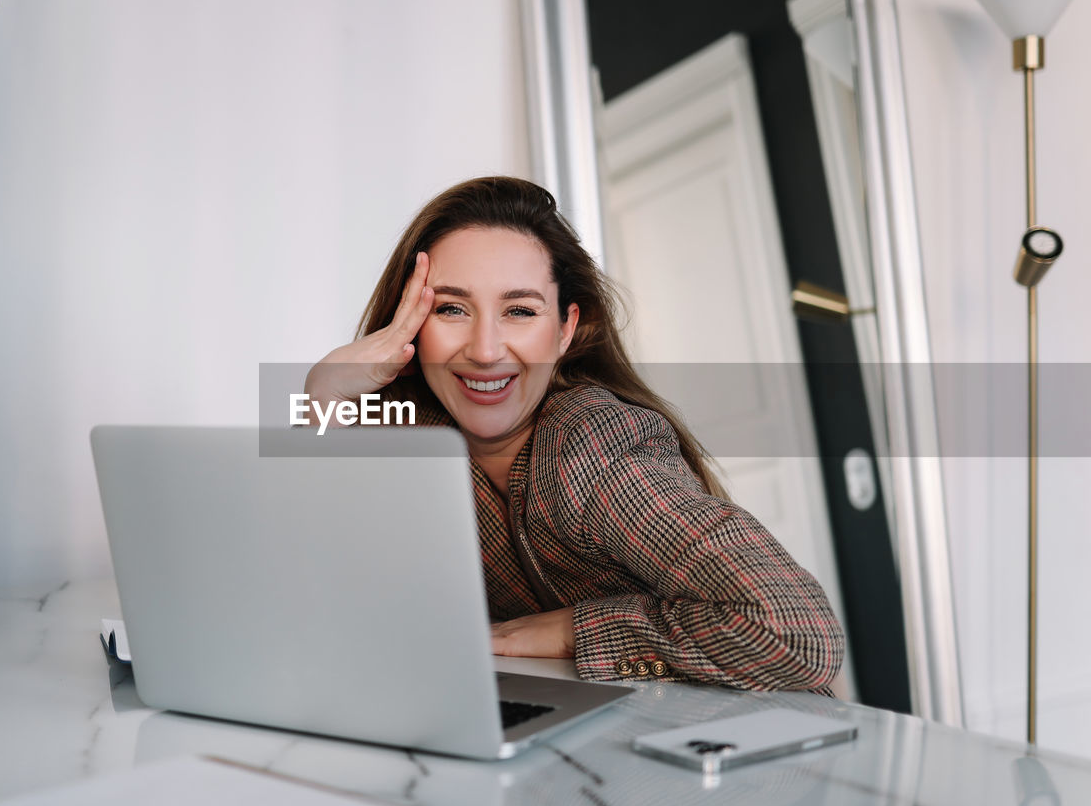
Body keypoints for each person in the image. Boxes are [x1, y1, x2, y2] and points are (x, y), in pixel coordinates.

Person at [305, 176, 843, 692]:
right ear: (411, 326)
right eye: (451, 309)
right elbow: (325, 610)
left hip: (739, 751)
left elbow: (795, 633)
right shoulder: (411, 438)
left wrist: (570, 632)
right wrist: (321, 398)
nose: (486, 349)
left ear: (565, 329)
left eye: (519, 310)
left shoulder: (595, 447)